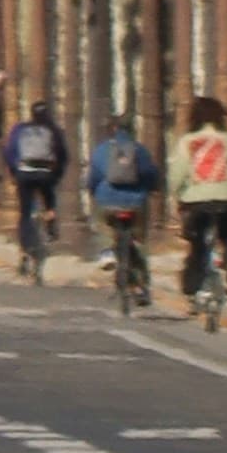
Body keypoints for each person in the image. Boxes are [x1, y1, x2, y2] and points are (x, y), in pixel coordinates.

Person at [173, 92, 227, 322]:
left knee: (196, 246)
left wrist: (177, 196)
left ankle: (193, 290)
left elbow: (178, 175)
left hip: (197, 201)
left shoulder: (187, 143)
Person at [87, 106, 163, 317]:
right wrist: (152, 189)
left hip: (108, 202)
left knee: (103, 224)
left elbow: (93, 178)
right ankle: (140, 285)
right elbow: (150, 174)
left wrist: (95, 192)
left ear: (113, 129)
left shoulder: (102, 150)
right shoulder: (139, 150)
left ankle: (106, 251)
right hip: (135, 203)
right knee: (138, 240)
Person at [3, 99, 68, 280]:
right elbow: (63, 156)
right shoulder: (54, 130)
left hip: (24, 173)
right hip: (46, 175)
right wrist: (56, 175)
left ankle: (24, 254)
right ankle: (50, 223)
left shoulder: (20, 129)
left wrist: (14, 171)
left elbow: (9, 152)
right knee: (49, 199)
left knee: (24, 214)